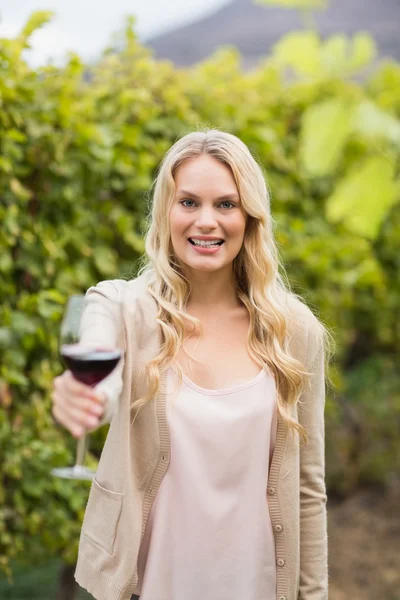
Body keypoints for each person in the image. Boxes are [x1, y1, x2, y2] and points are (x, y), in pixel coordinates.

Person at [51, 128, 333, 600]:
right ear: (167, 210)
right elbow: (101, 381)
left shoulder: (295, 332)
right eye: (188, 203)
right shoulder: (122, 308)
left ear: (250, 217)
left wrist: (314, 594)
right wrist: (84, 398)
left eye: (226, 204)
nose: (207, 221)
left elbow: (308, 488)